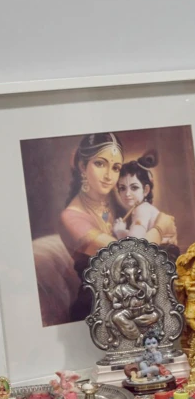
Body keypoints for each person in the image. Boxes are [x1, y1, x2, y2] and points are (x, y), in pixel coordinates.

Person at [58, 132, 126, 320]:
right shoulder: (70, 217)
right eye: (100, 163)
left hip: (128, 298)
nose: (108, 176)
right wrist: (160, 227)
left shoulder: (115, 203)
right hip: (96, 307)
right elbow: (124, 254)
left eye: (116, 167)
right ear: (82, 166)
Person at [113, 151, 179, 254]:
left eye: (134, 188)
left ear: (145, 190)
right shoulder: (143, 208)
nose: (127, 194)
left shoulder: (142, 209)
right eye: (122, 188)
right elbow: (141, 239)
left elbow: (133, 247)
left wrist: (120, 232)